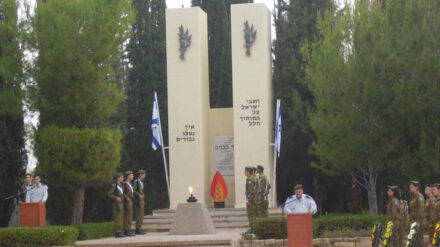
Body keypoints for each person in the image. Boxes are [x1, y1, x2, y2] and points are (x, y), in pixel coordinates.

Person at [107, 172, 125, 238]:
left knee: (121, 217)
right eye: (121, 177)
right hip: (117, 204)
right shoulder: (115, 185)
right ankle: (117, 232)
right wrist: (116, 198)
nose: (123, 178)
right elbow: (109, 194)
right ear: (118, 178)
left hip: (121, 203)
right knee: (117, 218)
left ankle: (120, 231)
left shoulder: (121, 185)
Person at [409, 181, 425, 246]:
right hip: (414, 221)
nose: (411, 189)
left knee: (419, 239)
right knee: (413, 239)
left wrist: (418, 221)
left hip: (419, 221)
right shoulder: (413, 197)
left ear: (416, 188)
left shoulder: (419, 197)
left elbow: (421, 210)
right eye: (410, 187)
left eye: (412, 187)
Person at [133, 169, 146, 235]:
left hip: (142, 200)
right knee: (139, 215)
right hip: (138, 200)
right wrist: (139, 195)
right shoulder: (137, 181)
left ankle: (139, 228)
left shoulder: (141, 181)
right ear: (141, 175)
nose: (145, 176)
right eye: (144, 174)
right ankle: (137, 229)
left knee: (141, 215)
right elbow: (134, 190)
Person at [245, 167, 257, 232]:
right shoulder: (253, 178)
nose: (244, 172)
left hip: (251, 200)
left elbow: (251, 191)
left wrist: (249, 200)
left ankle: (253, 228)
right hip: (253, 199)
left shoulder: (250, 179)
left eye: (245, 171)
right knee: (253, 213)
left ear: (248, 172)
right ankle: (253, 227)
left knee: (251, 213)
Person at [123, 171, 135, 236]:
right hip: (127, 201)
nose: (132, 176)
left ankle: (129, 230)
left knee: (130, 216)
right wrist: (126, 197)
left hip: (131, 201)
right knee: (127, 216)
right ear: (128, 176)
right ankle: (126, 230)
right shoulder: (125, 184)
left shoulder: (130, 183)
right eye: (131, 175)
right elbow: (122, 192)